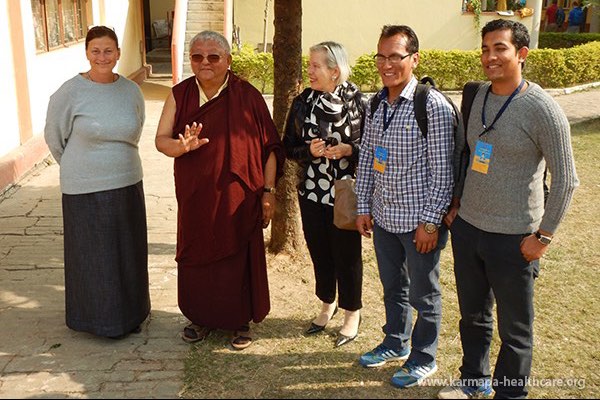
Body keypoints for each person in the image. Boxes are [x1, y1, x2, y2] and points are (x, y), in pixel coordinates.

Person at [438, 19, 578, 399]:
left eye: (499, 48)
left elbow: (567, 179)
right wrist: (456, 206)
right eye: (485, 49)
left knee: (515, 330)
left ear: (521, 54)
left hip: (516, 238)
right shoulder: (478, 95)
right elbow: (464, 154)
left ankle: (510, 394)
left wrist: (543, 237)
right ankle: (472, 381)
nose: (490, 57)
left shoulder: (541, 109)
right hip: (468, 230)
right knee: (473, 317)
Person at [155, 31, 285, 350]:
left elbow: (271, 147)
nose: (205, 63)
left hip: (238, 196)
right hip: (195, 194)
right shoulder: (179, 94)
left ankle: (239, 320)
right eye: (197, 56)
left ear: (228, 60)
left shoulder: (248, 96)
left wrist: (268, 191)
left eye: (213, 56)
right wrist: (180, 146)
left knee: (236, 253)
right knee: (198, 252)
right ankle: (199, 317)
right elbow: (161, 141)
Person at [355, 25, 455, 388]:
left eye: (395, 56)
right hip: (383, 217)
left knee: (423, 294)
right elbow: (367, 159)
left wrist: (430, 224)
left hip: (418, 223)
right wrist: (363, 206)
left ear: (414, 59)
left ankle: (423, 357)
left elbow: (443, 172)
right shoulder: (376, 103)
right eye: (381, 56)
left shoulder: (431, 105)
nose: (386, 64)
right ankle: (395, 342)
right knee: (392, 287)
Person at [44, 26, 150, 339]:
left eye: (108, 50)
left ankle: (131, 315)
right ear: (87, 53)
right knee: (93, 257)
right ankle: (96, 321)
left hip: (128, 181)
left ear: (118, 53)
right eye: (95, 51)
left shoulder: (131, 90)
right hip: (84, 188)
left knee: (128, 253)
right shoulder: (70, 92)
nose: (102, 57)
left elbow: (136, 127)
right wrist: (80, 166)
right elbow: (54, 136)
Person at [283, 41, 365, 348]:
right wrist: (308, 151)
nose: (310, 71)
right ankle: (327, 302)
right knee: (319, 251)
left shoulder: (356, 100)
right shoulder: (304, 101)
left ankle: (352, 312)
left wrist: (348, 150)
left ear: (335, 70)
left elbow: (370, 147)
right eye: (309, 66)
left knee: (347, 255)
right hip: (311, 192)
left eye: (315, 66)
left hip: (343, 192)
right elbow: (288, 146)